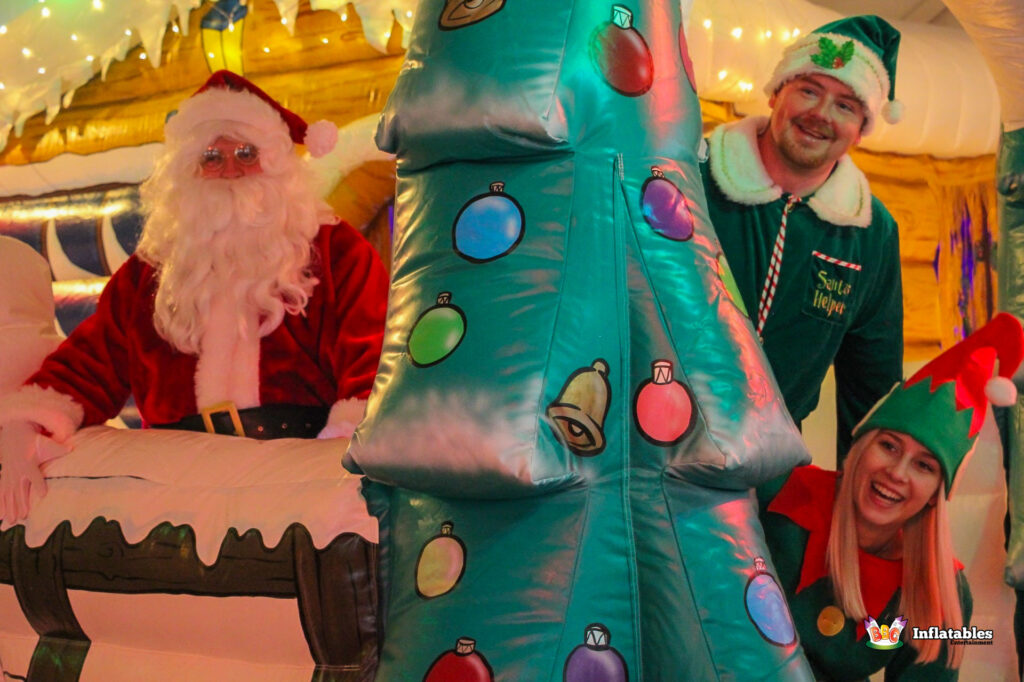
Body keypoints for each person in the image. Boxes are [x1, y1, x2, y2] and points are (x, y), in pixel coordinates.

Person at [0, 70, 389, 523]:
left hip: (298, 475)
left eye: (246, 154)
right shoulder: (151, 272)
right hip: (174, 482)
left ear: (277, 164)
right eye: (211, 157)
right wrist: (24, 426)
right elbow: (90, 363)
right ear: (186, 170)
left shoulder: (334, 250)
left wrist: (345, 451)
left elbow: (374, 356)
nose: (229, 171)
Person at [757, 312, 1024, 680]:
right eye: (888, 445)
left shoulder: (941, 592)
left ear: (936, 495)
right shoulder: (780, 494)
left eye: (925, 466)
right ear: (860, 446)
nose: (896, 473)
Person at [701, 15, 905, 457]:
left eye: (846, 105)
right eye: (809, 90)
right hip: (648, 437)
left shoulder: (871, 233)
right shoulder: (691, 175)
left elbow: (871, 387)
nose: (820, 115)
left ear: (862, 128)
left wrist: (854, 512)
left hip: (768, 474)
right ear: (777, 93)